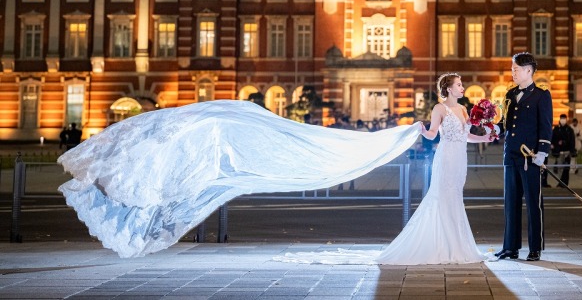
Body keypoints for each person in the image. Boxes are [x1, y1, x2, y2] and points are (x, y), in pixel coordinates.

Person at [58, 100, 424, 258]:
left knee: (166, 194)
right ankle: (118, 206)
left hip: (191, 160)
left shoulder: (229, 118)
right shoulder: (232, 121)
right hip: (194, 159)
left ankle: (118, 207)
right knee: (166, 194)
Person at [375, 73, 495, 264]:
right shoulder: (439, 108)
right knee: (443, 196)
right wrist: (423, 130)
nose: (462, 87)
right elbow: (432, 135)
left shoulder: (464, 109)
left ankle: (457, 245)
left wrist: (484, 138)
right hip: (446, 157)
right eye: (459, 84)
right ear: (449, 89)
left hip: (460, 159)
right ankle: (441, 245)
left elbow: (467, 136)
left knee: (455, 197)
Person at [495, 52, 553, 262]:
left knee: (533, 203)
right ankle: (510, 247)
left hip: (530, 158)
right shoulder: (509, 95)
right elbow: (504, 124)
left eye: (516, 69)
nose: (513, 73)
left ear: (528, 71)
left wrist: (542, 152)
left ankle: (535, 248)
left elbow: (546, 126)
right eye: (512, 69)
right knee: (510, 203)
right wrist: (491, 128)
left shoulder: (541, 95)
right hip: (511, 156)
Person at [551, 114, 575, 187]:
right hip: (559, 151)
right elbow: (552, 138)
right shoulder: (556, 129)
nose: (563, 120)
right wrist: (553, 145)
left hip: (567, 151)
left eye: (564, 118)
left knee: (566, 168)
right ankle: (560, 182)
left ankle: (565, 183)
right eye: (562, 118)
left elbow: (572, 141)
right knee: (560, 168)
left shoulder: (569, 130)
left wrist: (571, 150)